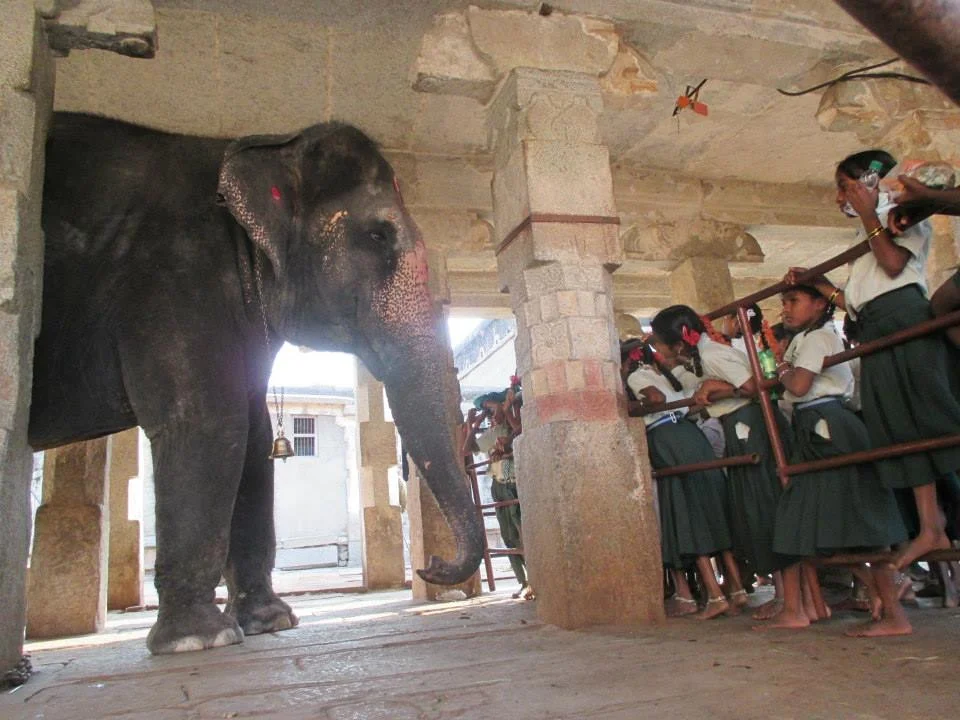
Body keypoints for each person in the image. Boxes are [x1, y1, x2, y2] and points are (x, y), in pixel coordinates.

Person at [785, 149, 960, 572]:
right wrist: (821, 285)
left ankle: (940, 521)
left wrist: (869, 216)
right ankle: (929, 525)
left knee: (932, 417)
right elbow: (859, 300)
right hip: (876, 325)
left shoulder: (902, 215)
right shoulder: (866, 231)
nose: (839, 197)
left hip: (904, 316)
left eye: (845, 187)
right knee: (899, 425)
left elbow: (894, 266)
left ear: (867, 183)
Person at [764, 284, 910, 636]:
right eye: (784, 302)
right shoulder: (806, 338)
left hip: (829, 429)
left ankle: (892, 611)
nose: (785, 309)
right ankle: (808, 607)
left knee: (857, 519)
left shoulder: (819, 339)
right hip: (816, 428)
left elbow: (797, 386)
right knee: (812, 523)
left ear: (819, 303)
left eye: (794, 301)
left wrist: (780, 365)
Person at [652, 304, 792, 620]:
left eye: (659, 344)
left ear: (678, 343)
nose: (657, 351)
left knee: (764, 505)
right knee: (757, 508)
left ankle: (789, 598)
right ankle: (785, 597)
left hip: (749, 426)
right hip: (737, 428)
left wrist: (717, 387)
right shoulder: (702, 358)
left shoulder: (713, 355)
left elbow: (755, 386)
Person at [628, 339, 748, 619]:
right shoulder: (664, 374)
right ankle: (737, 589)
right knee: (711, 508)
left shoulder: (635, 377)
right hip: (690, 435)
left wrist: (633, 406)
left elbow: (655, 400)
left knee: (689, 513)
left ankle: (715, 596)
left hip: (666, 439)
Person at [474, 396, 533, 600]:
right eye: (487, 411)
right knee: (508, 535)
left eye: (491, 409)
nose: (490, 414)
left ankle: (533, 578)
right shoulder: (493, 433)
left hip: (509, 478)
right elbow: (469, 448)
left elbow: (515, 440)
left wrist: (506, 408)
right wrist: (475, 423)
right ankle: (523, 580)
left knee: (520, 526)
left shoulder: (512, 425)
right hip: (498, 480)